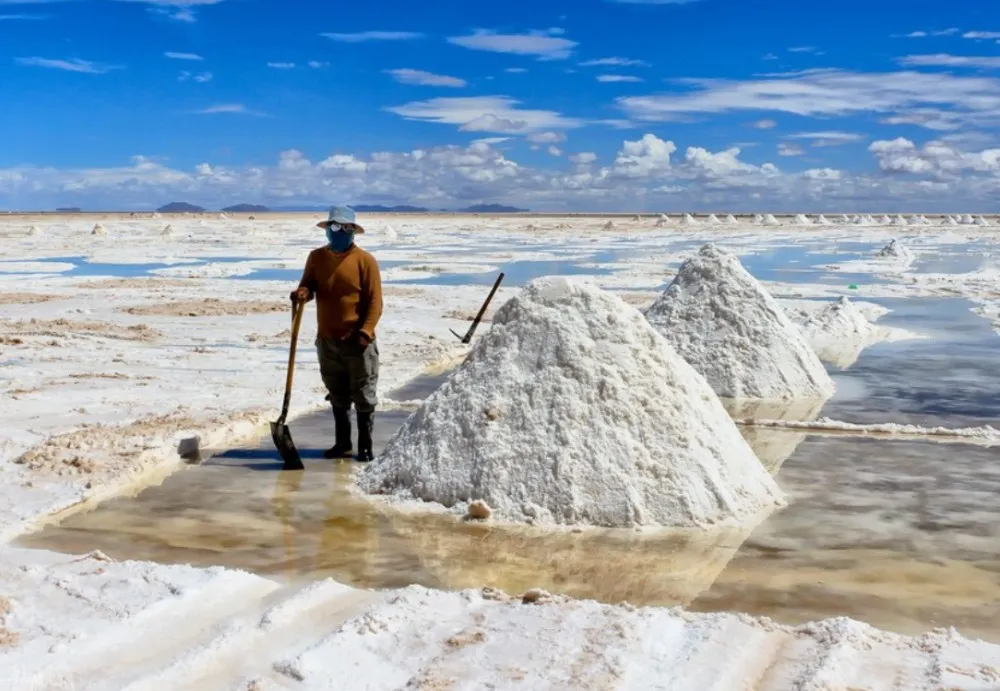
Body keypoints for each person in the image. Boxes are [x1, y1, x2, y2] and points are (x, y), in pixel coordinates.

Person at [290, 205, 383, 462]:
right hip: (328, 341)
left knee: (364, 394)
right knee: (337, 393)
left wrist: (365, 332)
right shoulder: (316, 258)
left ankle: (365, 446)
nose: (338, 232)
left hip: (358, 341)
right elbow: (308, 285)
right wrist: (302, 295)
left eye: (344, 228)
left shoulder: (365, 261)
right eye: (334, 227)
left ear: (352, 230)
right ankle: (342, 443)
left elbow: (375, 303)